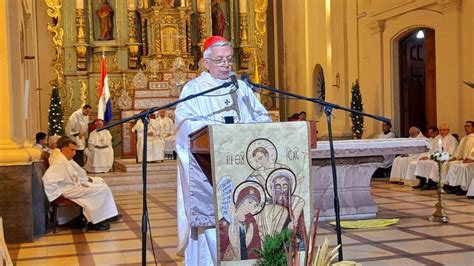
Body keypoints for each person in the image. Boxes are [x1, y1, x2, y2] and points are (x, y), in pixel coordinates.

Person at [175, 36, 271, 264]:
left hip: (243, 169)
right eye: (219, 60)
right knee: (214, 224)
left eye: (229, 59)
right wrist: (216, 131)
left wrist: (246, 130)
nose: (226, 65)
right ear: (206, 63)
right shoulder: (194, 89)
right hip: (210, 170)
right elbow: (184, 124)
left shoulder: (241, 88)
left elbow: (262, 116)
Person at [42, 137, 119, 231]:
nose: (74, 153)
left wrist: (80, 183)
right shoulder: (59, 162)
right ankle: (95, 222)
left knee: (100, 187)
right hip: (67, 191)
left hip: (72, 187)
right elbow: (47, 179)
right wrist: (58, 193)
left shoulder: (63, 159)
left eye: (74, 150)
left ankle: (100, 217)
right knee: (102, 189)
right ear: (63, 149)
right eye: (71, 150)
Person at [412, 124, 458, 189]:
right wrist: (428, 156)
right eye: (440, 130)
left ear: (448, 130)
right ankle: (422, 181)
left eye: (444, 130)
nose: (442, 132)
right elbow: (433, 150)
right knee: (422, 162)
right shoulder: (438, 138)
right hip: (436, 156)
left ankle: (432, 183)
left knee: (434, 164)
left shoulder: (452, 139)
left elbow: (451, 152)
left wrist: (436, 157)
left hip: (447, 157)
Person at [444, 121, 474, 195]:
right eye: (465, 126)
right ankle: (453, 186)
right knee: (451, 164)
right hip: (463, 160)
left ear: (473, 128)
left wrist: (471, 158)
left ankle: (464, 188)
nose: (466, 127)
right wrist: (455, 157)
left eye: (468, 126)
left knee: (463, 167)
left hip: (470, 160)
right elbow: (458, 150)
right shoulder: (464, 138)